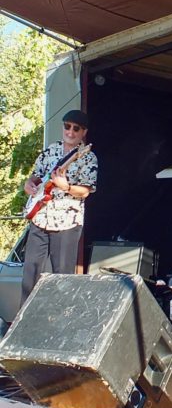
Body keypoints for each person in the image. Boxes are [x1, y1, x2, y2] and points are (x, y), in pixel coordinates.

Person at [21, 110, 98, 304]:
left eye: (76, 128)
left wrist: (67, 187)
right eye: (67, 126)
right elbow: (36, 175)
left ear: (84, 132)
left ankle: (61, 324)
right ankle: (24, 323)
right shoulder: (50, 150)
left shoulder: (87, 157)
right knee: (30, 275)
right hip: (40, 217)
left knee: (62, 278)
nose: (70, 132)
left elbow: (86, 191)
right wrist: (29, 184)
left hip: (66, 223)